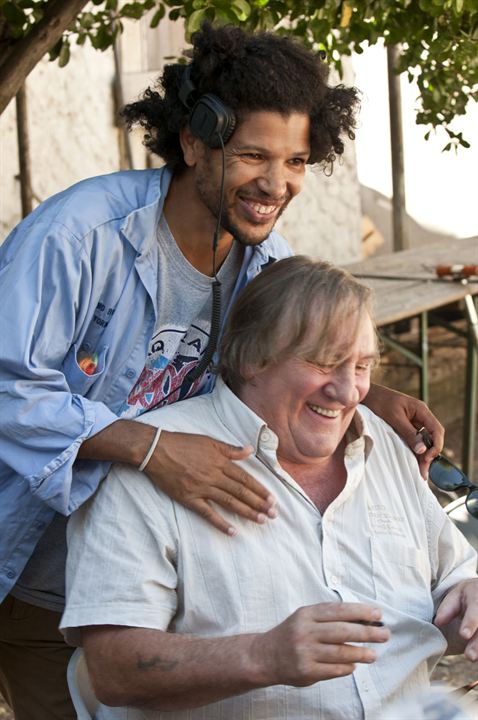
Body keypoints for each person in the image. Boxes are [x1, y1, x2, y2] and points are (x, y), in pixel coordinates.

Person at [0, 22, 443, 720]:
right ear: (194, 142)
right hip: (29, 572)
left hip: (154, 586)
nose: (277, 183)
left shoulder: (265, 259)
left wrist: (369, 391)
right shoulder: (78, 237)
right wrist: (149, 448)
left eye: (296, 161)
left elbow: (287, 357)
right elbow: (6, 385)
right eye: (253, 156)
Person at [61, 256, 478, 720]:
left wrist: (470, 598)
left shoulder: (386, 447)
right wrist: (262, 657)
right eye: (323, 362)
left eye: (362, 366)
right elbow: (114, 670)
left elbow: (454, 585)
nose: (347, 392)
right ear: (252, 357)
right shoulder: (156, 466)